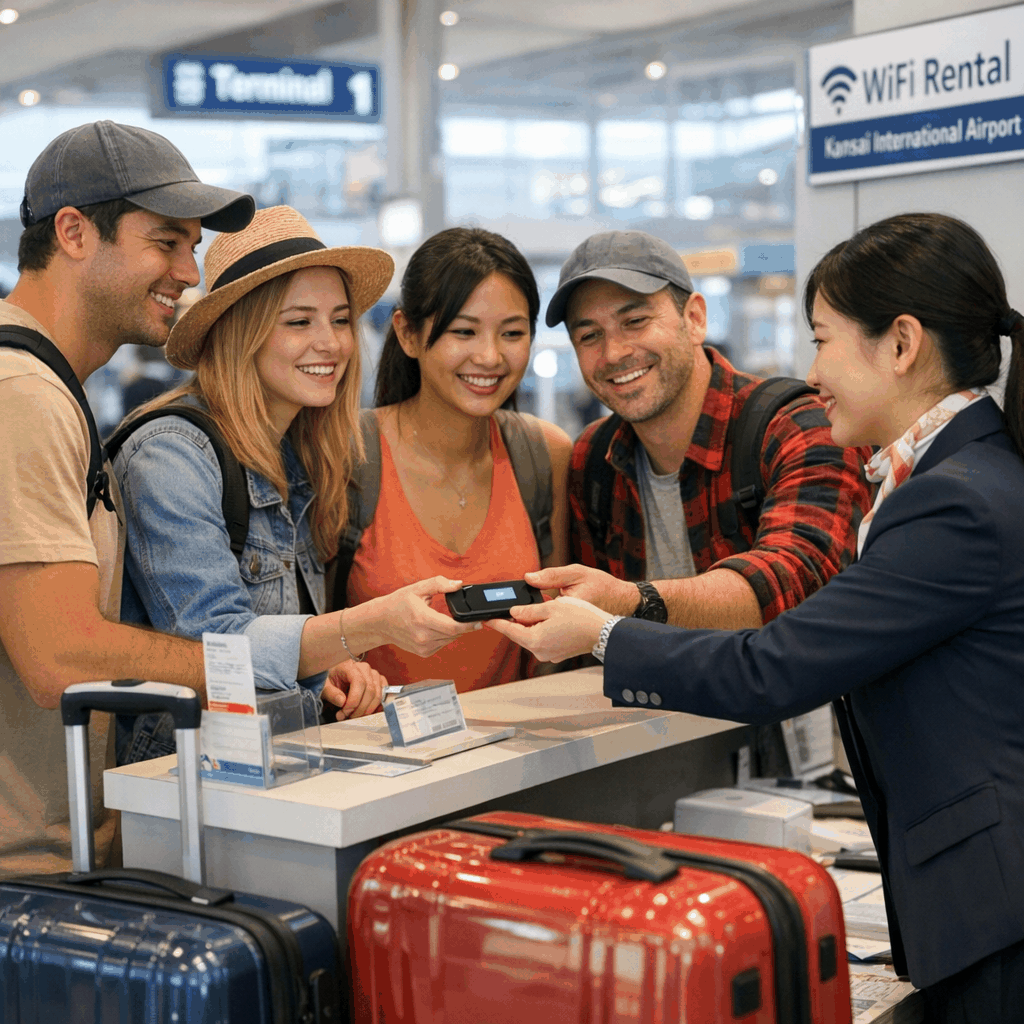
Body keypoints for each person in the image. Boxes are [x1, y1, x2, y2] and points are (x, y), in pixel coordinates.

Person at [491, 213, 1024, 1021]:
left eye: (823, 341)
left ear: (901, 344)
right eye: (588, 335)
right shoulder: (956, 473)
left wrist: (604, 629)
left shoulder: (955, 500)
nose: (814, 372)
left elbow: (772, 662)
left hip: (997, 911)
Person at [111, 206, 479, 763]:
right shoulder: (171, 453)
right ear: (242, 332)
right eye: (299, 322)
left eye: (340, 320)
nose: (331, 344)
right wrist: (368, 626)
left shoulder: (301, 451)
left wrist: (327, 670)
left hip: (286, 768)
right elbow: (213, 649)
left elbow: (272, 645)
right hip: (191, 780)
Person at [0, 120, 255, 872]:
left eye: (193, 246)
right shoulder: (22, 394)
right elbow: (60, 654)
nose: (188, 270)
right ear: (74, 232)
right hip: (23, 874)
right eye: (166, 241)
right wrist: (248, 669)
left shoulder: (47, 385)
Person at [528, 229, 870, 632]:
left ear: (694, 319)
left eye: (635, 321)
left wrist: (631, 600)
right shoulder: (594, 458)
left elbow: (797, 583)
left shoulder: (797, 427)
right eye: (589, 336)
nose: (614, 352)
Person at [343, 227, 572, 692]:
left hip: (518, 734)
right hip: (372, 736)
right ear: (407, 333)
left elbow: (556, 636)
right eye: (464, 331)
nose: (489, 356)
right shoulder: (348, 454)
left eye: (512, 333)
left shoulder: (544, 454)